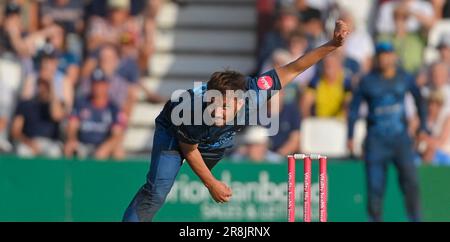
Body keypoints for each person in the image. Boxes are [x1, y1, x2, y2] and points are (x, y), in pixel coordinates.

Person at [122, 20, 350, 222]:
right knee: (157, 191)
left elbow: (296, 67)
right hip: (175, 132)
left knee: (214, 144)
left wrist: (333, 44)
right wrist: (212, 184)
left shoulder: (253, 94)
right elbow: (189, 149)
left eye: (224, 107)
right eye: (214, 106)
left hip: (214, 140)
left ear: (240, 102)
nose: (217, 113)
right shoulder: (193, 111)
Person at [347, 42, 428, 222]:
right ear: (377, 58)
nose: (384, 58)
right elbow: (353, 110)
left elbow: (420, 101)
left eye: (388, 54)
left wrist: (422, 128)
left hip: (401, 140)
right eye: (381, 55)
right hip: (376, 141)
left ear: (393, 56)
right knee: (375, 187)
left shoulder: (404, 78)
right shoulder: (367, 81)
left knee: (411, 184)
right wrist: (350, 136)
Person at [64, 69, 126, 160]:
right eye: (95, 84)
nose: (98, 87)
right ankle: (69, 174)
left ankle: (116, 174)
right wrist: (72, 140)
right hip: (82, 145)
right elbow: (72, 125)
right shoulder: (81, 103)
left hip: (102, 146)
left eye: (101, 84)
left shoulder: (113, 108)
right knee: (69, 148)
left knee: (118, 151)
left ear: (107, 86)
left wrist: (105, 148)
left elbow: (117, 134)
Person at [11, 78, 65, 158]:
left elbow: (57, 116)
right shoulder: (26, 104)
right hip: (29, 141)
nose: (43, 88)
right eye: (40, 84)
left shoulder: (57, 105)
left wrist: (52, 92)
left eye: (47, 86)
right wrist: (29, 142)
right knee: (22, 151)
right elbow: (15, 131)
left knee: (54, 152)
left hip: (50, 143)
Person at [301, 51, 352, 119]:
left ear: (339, 66)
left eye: (333, 64)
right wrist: (307, 121)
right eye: (326, 64)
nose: (329, 67)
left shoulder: (346, 82)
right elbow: (305, 103)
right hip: (319, 122)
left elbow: (348, 103)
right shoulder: (316, 81)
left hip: (339, 123)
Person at [417, 90, 450, 166]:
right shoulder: (422, 119)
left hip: (444, 156)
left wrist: (424, 138)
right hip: (423, 154)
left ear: (440, 105)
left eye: (436, 104)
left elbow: (440, 143)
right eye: (429, 103)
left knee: (430, 152)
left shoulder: (447, 119)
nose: (431, 107)